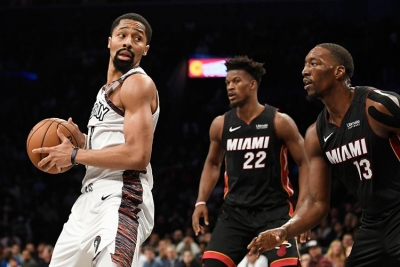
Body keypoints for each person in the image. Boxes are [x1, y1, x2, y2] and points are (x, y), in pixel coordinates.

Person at [247, 43, 400, 266]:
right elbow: (317, 203)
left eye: (314, 63)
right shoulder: (315, 135)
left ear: (339, 71)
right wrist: (284, 231)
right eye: (304, 65)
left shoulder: (377, 106)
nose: (304, 71)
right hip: (372, 224)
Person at [32, 12, 160, 267]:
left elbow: (137, 155)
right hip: (89, 196)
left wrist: (73, 155)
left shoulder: (138, 84)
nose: (128, 42)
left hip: (122, 195)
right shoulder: (106, 90)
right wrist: (84, 140)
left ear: (144, 50)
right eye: (122, 35)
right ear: (110, 41)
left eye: (137, 38)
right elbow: (114, 142)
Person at [191, 55, 310, 267]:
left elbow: (305, 162)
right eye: (227, 82)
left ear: (252, 84)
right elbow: (212, 163)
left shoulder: (279, 121)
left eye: (236, 81)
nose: (230, 87)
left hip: (274, 213)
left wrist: (303, 209)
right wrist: (201, 201)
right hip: (235, 214)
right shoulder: (221, 124)